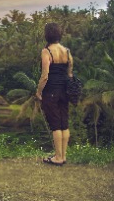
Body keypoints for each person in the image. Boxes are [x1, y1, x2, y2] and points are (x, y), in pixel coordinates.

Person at [36, 23, 73, 166]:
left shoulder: (46, 51)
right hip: (65, 90)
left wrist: (39, 92)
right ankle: (63, 156)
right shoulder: (67, 51)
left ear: (47, 35)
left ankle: (57, 157)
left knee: (56, 125)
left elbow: (45, 75)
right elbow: (70, 74)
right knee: (64, 123)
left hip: (51, 91)